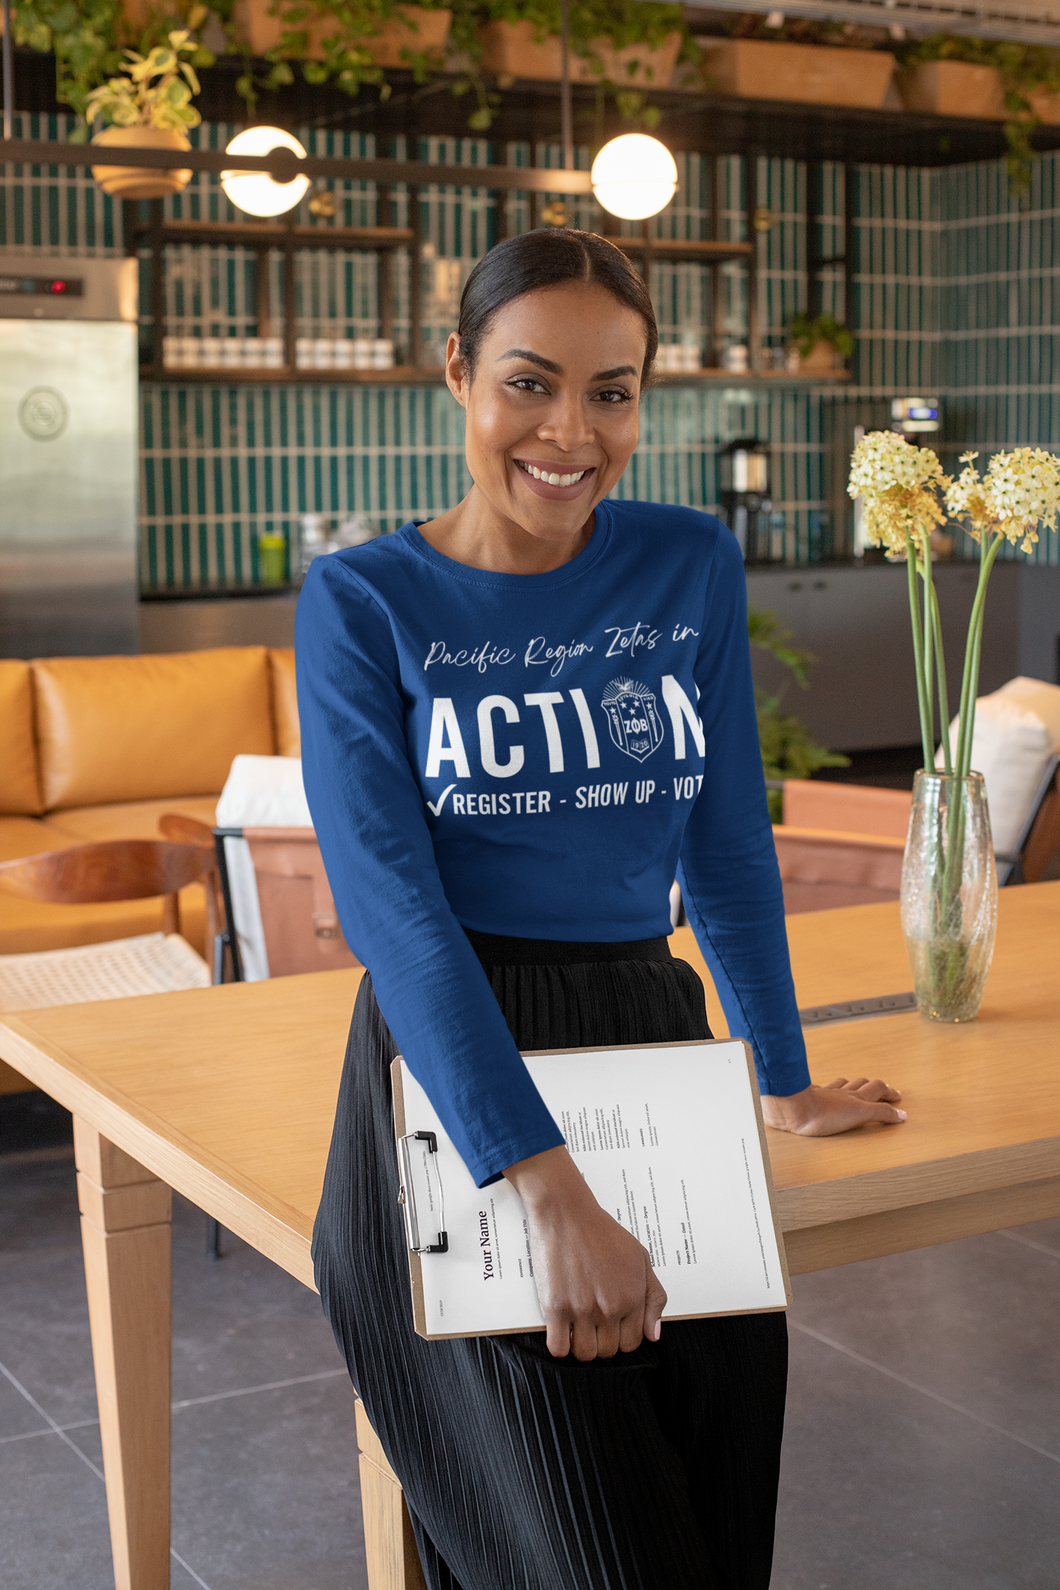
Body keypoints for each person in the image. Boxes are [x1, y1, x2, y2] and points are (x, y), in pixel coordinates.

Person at [296, 227, 905, 1590]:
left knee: (706, 1521)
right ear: (458, 373)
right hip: (459, 1080)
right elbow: (396, 916)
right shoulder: (365, 601)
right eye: (530, 382)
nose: (572, 430)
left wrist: (783, 1076)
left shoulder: (684, 561)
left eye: (613, 390)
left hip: (655, 1043)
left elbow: (728, 844)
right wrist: (548, 1185)